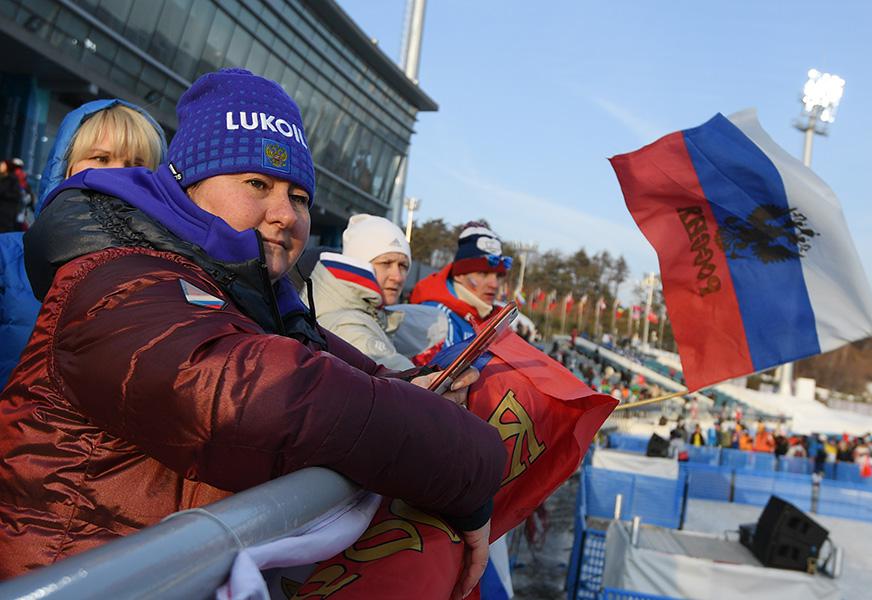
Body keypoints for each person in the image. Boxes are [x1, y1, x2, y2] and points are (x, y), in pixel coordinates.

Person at [0, 69, 506, 598]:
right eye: (257, 184)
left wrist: (420, 390)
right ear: (187, 188)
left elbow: (352, 372)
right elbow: (250, 393)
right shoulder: (117, 276)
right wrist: (465, 461)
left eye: (301, 196)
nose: (285, 214)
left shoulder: (253, 298)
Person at [0, 100, 166, 390]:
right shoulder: (6, 258)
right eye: (101, 158)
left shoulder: (172, 277)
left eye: (136, 164)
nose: (118, 175)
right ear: (66, 167)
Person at [306, 214, 418, 370]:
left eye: (403, 266)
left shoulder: (366, 313)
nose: (398, 277)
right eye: (386, 263)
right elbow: (409, 384)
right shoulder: (346, 325)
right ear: (358, 264)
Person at [410, 222, 511, 345]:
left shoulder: (496, 321)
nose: (494, 284)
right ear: (459, 275)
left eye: (499, 276)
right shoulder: (436, 318)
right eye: (483, 273)